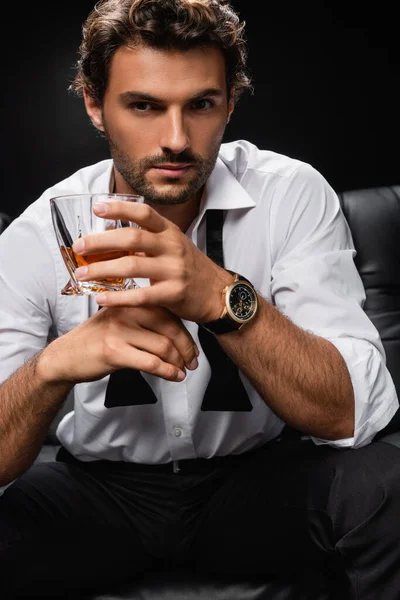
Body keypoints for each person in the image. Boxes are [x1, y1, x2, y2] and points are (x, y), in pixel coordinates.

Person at [0, 0, 399, 597]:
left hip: (252, 484)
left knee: (385, 484)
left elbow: (351, 413)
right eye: (144, 106)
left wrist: (222, 296)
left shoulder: (288, 195)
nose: (177, 140)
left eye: (202, 105)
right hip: (100, 493)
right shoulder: (40, 232)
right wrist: (54, 367)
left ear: (230, 104)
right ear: (93, 104)